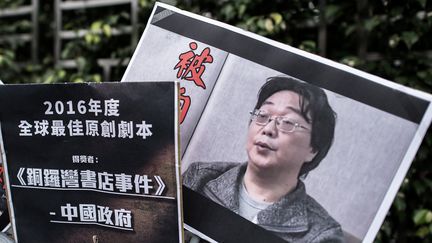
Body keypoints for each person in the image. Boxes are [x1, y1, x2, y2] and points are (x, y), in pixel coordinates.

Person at [183, 76, 345, 242]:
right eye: (262, 115)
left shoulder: (323, 234)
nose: (268, 129)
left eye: (287, 122)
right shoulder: (200, 177)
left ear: (313, 149)